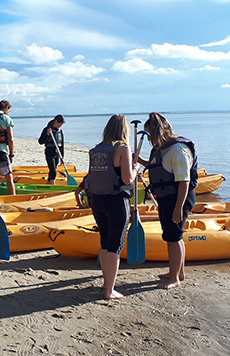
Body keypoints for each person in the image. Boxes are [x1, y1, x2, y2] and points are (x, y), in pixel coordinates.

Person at [136, 112, 198, 289]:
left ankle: (174, 279)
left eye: (150, 135)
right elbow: (158, 166)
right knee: (173, 236)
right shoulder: (161, 148)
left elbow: (183, 181)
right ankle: (178, 272)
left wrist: (178, 207)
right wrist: (139, 160)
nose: (149, 141)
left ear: (158, 132)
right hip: (167, 197)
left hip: (178, 197)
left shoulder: (178, 150)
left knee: (173, 237)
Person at [84, 114, 139, 300]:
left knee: (105, 243)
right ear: (125, 130)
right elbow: (127, 179)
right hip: (116, 201)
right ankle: (109, 291)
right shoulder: (122, 148)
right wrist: (136, 168)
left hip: (98, 201)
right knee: (115, 245)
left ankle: (108, 281)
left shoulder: (96, 149)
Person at [38, 114, 66, 184]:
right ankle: (53, 184)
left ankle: (49, 182)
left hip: (57, 153)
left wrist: (62, 157)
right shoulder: (47, 129)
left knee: (53, 170)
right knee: (53, 170)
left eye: (62, 124)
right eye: (60, 124)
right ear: (56, 121)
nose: (60, 126)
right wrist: (47, 134)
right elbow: (40, 141)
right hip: (49, 152)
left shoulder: (60, 131)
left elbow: (61, 145)